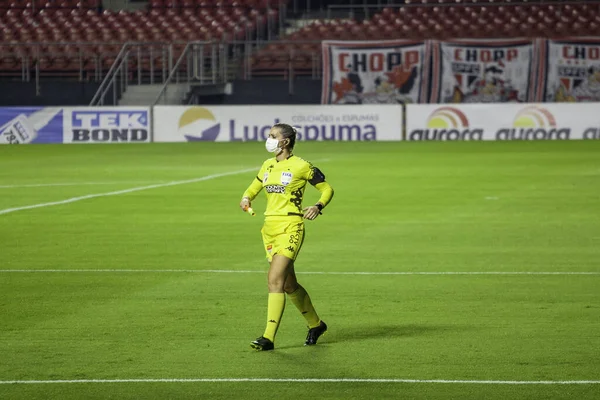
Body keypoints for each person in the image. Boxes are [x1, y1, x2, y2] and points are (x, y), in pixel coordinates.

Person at [240, 123, 334, 351]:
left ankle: (268, 337)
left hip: (291, 227)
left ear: (286, 141)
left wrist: (318, 206)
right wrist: (246, 198)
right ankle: (316, 324)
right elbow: (255, 186)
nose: (269, 139)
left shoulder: (301, 166)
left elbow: (327, 188)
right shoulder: (268, 165)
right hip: (269, 229)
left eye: (273, 136)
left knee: (274, 280)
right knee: (289, 285)